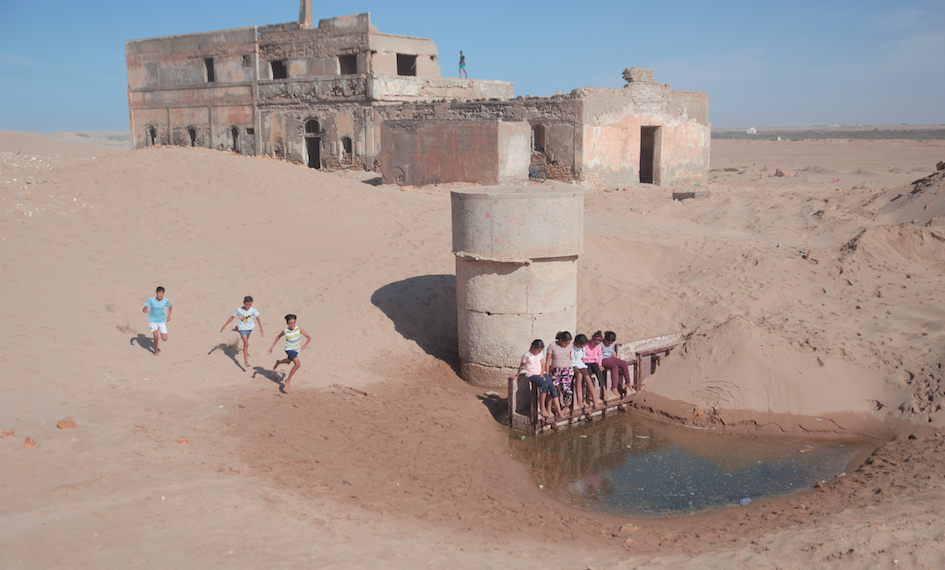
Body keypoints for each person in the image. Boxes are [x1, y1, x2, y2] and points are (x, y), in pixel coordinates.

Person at [510, 339, 564, 420]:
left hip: (541, 373)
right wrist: (517, 375)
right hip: (532, 374)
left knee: (552, 386)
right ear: (533, 347)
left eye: (540, 351)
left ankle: (559, 410)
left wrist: (542, 373)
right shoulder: (526, 355)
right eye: (538, 350)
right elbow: (521, 366)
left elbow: (542, 364)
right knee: (544, 384)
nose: (539, 352)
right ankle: (542, 407)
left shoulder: (539, 354)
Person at [269, 314, 311, 392]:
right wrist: (272, 346)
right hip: (289, 349)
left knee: (288, 362)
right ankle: (288, 380)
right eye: (290, 323)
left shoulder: (299, 329)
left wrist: (305, 344)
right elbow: (278, 336)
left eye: (294, 323)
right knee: (298, 364)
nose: (292, 325)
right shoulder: (286, 331)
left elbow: (309, 337)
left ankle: (278, 362)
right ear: (287, 323)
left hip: (296, 350)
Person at [220, 296, 264, 367]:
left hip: (250, 329)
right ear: (243, 303)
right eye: (246, 304)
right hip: (243, 328)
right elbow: (232, 317)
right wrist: (224, 326)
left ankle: (237, 330)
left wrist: (261, 329)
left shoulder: (253, 310)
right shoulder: (238, 310)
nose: (248, 306)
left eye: (250, 305)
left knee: (246, 343)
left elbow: (258, 319)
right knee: (246, 344)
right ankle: (246, 361)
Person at [545, 331, 575, 414]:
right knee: (552, 388)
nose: (566, 345)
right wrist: (547, 374)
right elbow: (548, 360)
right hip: (555, 369)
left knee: (566, 390)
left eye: (568, 343)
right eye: (565, 343)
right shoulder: (552, 345)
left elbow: (568, 356)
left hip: (567, 369)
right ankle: (549, 406)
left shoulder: (570, 346)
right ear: (560, 340)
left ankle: (566, 406)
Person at [571, 334, 601, 410]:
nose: (583, 346)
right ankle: (579, 399)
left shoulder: (583, 348)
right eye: (582, 345)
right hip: (572, 364)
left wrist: (584, 368)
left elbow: (583, 359)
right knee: (579, 375)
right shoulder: (571, 347)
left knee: (588, 377)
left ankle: (594, 399)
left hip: (580, 364)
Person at [602, 330, 634, 398]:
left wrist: (616, 359)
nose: (610, 344)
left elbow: (612, 351)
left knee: (624, 363)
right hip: (603, 358)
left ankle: (628, 382)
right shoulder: (601, 344)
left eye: (611, 343)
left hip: (610, 357)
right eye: (608, 342)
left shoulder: (612, 344)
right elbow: (598, 354)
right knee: (614, 367)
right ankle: (614, 387)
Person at [142, 286, 172, 356]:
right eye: (159, 293)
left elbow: (170, 306)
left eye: (162, 294)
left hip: (161, 321)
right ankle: (156, 351)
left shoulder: (165, 301)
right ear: (156, 293)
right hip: (152, 321)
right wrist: (144, 310)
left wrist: (169, 315)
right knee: (156, 338)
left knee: (164, 339)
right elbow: (144, 308)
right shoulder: (151, 300)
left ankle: (158, 329)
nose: (160, 295)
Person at [585, 331, 608, 400]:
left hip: (594, 362)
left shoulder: (598, 346)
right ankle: (590, 392)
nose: (595, 345)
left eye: (597, 344)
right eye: (595, 343)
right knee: (588, 374)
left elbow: (599, 355)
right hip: (586, 362)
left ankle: (604, 389)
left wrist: (600, 364)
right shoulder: (586, 345)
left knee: (598, 371)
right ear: (592, 339)